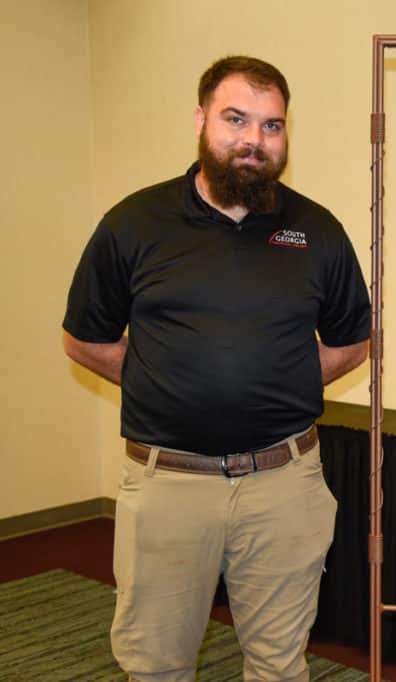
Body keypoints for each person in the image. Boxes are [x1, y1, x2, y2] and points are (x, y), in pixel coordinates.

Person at [62, 56, 370, 682]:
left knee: (280, 665)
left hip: (285, 486)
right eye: (237, 119)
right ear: (202, 120)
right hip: (168, 486)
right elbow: (83, 339)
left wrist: (277, 381)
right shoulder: (134, 224)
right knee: (156, 666)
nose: (254, 140)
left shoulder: (317, 231)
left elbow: (352, 341)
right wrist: (163, 377)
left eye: (272, 125)